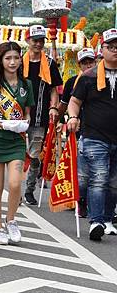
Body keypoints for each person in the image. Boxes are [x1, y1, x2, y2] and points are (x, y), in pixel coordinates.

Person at [0, 42, 34, 245]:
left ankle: (11, 220)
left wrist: (23, 124)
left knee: (14, 183)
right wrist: (2, 123)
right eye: (8, 58)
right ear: (1, 61)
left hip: (16, 141)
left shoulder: (26, 85)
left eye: (16, 58)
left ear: (21, 60)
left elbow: (28, 114)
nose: (12, 62)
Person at [67, 28, 117, 241]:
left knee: (114, 182)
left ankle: (107, 220)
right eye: (111, 47)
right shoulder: (87, 77)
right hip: (94, 136)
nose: (115, 50)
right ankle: (95, 221)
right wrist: (72, 117)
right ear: (101, 50)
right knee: (99, 179)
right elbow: (74, 102)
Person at [22, 25, 63, 206]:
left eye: (41, 40)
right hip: (17, 116)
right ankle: (15, 189)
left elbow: (54, 89)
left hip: (40, 116)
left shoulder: (50, 63)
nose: (38, 44)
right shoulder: (16, 61)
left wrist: (53, 107)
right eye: (35, 40)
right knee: (16, 155)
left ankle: (29, 190)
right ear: (27, 41)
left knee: (35, 154)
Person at [59, 47, 96, 218]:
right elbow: (65, 104)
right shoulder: (71, 82)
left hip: (97, 130)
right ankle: (78, 201)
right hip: (77, 130)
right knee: (80, 170)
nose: (88, 65)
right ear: (79, 64)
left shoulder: (102, 80)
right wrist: (61, 121)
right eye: (85, 62)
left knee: (97, 171)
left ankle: (93, 204)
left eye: (91, 61)